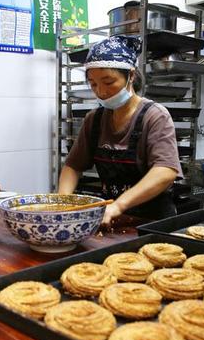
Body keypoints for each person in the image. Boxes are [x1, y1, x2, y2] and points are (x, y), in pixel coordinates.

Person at [58, 35, 182, 225]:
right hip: (112, 221)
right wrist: (63, 201)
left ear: (130, 76)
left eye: (108, 82)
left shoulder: (154, 116)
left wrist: (119, 205)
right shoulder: (95, 119)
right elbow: (73, 166)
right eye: (93, 84)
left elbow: (166, 171)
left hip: (152, 221)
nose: (101, 91)